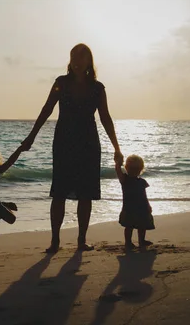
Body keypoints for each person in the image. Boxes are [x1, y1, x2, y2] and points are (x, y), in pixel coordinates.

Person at [22, 43, 123, 253]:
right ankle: (55, 241)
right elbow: (47, 109)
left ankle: (81, 240)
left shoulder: (97, 88)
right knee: (59, 192)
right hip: (64, 143)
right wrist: (31, 137)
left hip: (88, 144)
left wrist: (116, 147)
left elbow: (105, 117)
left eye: (81, 57)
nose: (77, 61)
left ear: (89, 61)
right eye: (73, 57)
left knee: (85, 194)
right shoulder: (61, 83)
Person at [115, 154, 155, 249]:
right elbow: (118, 170)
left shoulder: (142, 182)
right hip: (129, 207)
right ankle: (128, 242)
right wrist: (118, 163)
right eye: (131, 168)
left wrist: (148, 205)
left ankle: (141, 240)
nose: (134, 171)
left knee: (142, 225)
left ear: (140, 169)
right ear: (127, 168)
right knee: (129, 226)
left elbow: (144, 195)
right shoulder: (125, 179)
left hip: (142, 207)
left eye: (136, 169)